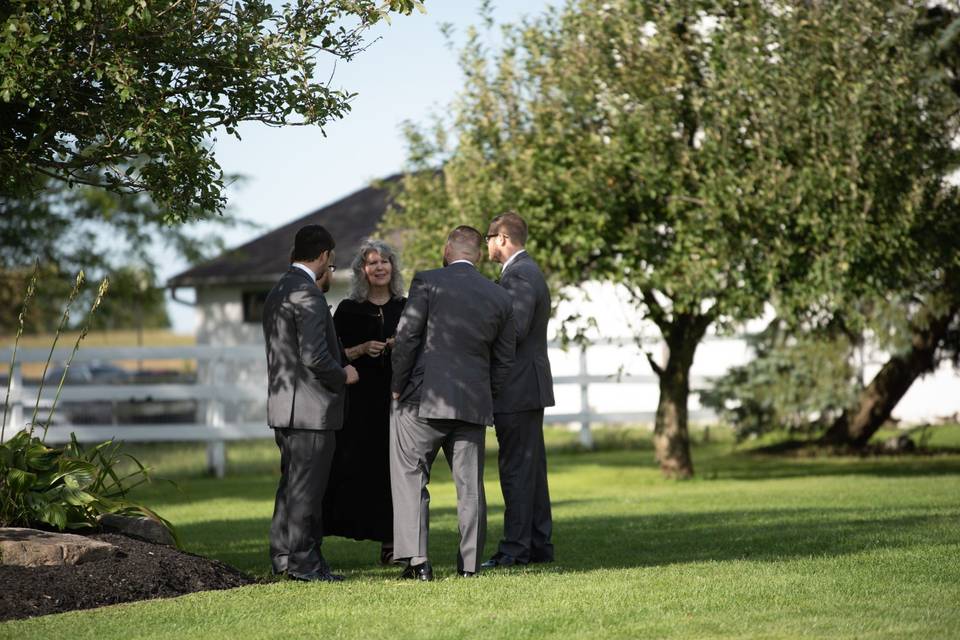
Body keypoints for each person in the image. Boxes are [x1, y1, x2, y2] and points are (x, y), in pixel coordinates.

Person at [389, 226, 516, 580]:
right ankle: (470, 566)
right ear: (478, 254)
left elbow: (407, 336)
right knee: (470, 485)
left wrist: (398, 386)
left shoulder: (428, 281)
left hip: (422, 399)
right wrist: (484, 391)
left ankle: (418, 563)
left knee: (411, 476)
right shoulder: (500, 297)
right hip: (472, 402)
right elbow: (505, 360)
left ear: (447, 250)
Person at [262, 224, 359, 582]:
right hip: (311, 410)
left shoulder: (278, 291)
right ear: (323, 255)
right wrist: (343, 375)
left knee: (290, 487)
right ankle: (305, 564)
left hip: (285, 407)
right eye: (331, 260)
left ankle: (284, 556)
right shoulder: (308, 294)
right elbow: (315, 357)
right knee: (306, 491)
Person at [322, 240, 406, 565]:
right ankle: (331, 532)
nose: (380, 267)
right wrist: (358, 350)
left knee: (395, 471)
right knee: (356, 469)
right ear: (362, 270)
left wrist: (402, 347)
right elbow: (330, 354)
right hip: (358, 404)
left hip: (397, 401)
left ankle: (393, 541)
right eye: (373, 263)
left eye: (385, 261)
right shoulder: (348, 309)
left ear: (393, 268)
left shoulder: (407, 306)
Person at [481, 211, 556, 569]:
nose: (487, 245)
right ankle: (538, 544)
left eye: (489, 238)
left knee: (516, 470)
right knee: (530, 470)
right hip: (526, 386)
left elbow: (516, 329)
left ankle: (515, 550)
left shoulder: (521, 276)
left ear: (504, 239)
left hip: (517, 386)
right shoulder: (522, 273)